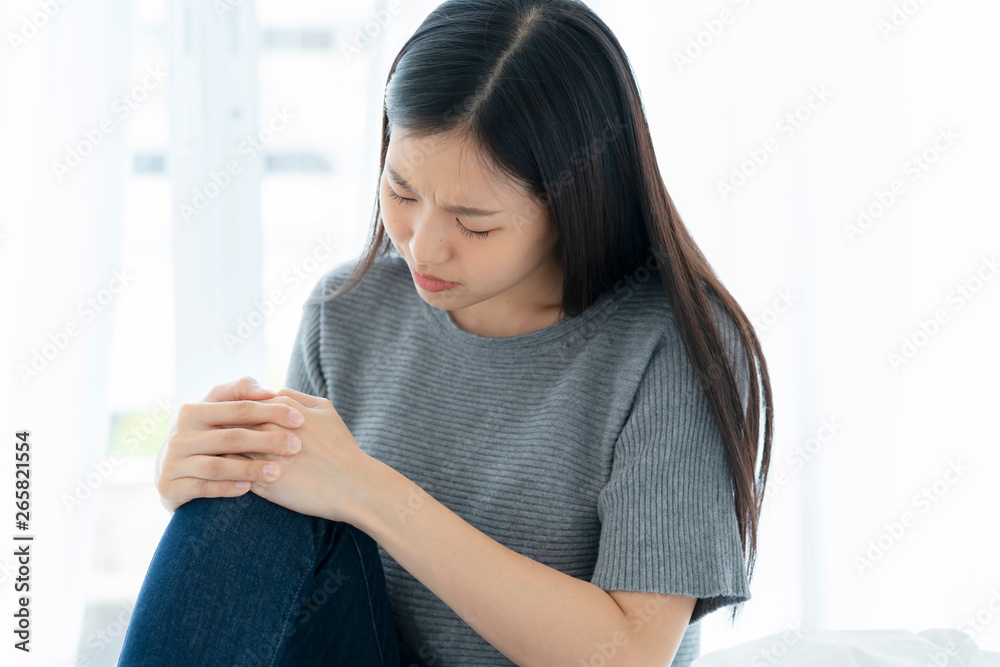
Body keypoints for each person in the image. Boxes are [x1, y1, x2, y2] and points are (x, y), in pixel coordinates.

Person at [118, 0, 773, 665]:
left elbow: (630, 652)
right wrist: (206, 481)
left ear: (576, 203)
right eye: (401, 191)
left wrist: (367, 488)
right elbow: (291, 544)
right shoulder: (345, 310)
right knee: (247, 503)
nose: (421, 247)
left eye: (475, 222)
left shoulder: (673, 346)